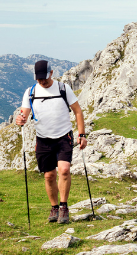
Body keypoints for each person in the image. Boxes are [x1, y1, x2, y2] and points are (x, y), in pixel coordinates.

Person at [15, 59, 87, 223]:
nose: (42, 82)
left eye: (45, 78)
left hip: (63, 136)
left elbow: (77, 111)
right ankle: (54, 207)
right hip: (43, 139)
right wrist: (21, 118)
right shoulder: (31, 92)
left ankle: (63, 207)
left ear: (51, 73)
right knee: (48, 176)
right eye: (39, 79)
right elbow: (25, 112)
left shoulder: (63, 88)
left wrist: (81, 135)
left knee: (64, 170)